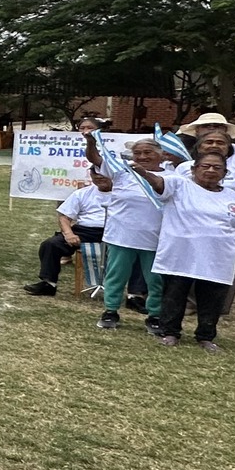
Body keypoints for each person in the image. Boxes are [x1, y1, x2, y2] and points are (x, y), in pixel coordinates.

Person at [141, 151, 235, 350]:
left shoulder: (234, 198)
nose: (211, 170)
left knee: (213, 297)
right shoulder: (179, 184)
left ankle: (206, 336)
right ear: (194, 169)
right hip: (181, 254)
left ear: (225, 173)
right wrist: (145, 174)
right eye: (205, 166)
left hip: (219, 257)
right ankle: (170, 332)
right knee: (174, 294)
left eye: (217, 167)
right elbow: (159, 183)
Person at [86, 135, 166, 330]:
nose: (142, 156)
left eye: (148, 152)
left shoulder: (173, 177)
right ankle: (110, 311)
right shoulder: (122, 172)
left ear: (160, 155)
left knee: (155, 280)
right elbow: (95, 158)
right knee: (116, 276)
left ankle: (155, 315)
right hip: (121, 236)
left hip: (156, 238)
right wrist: (91, 142)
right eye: (137, 153)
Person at [24, 181, 112, 296]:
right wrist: (69, 234)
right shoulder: (82, 193)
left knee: (135, 250)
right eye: (95, 174)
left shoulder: (125, 194)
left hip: (114, 232)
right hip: (85, 231)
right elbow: (64, 217)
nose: (99, 177)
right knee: (51, 244)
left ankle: (133, 294)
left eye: (103, 175)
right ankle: (49, 284)